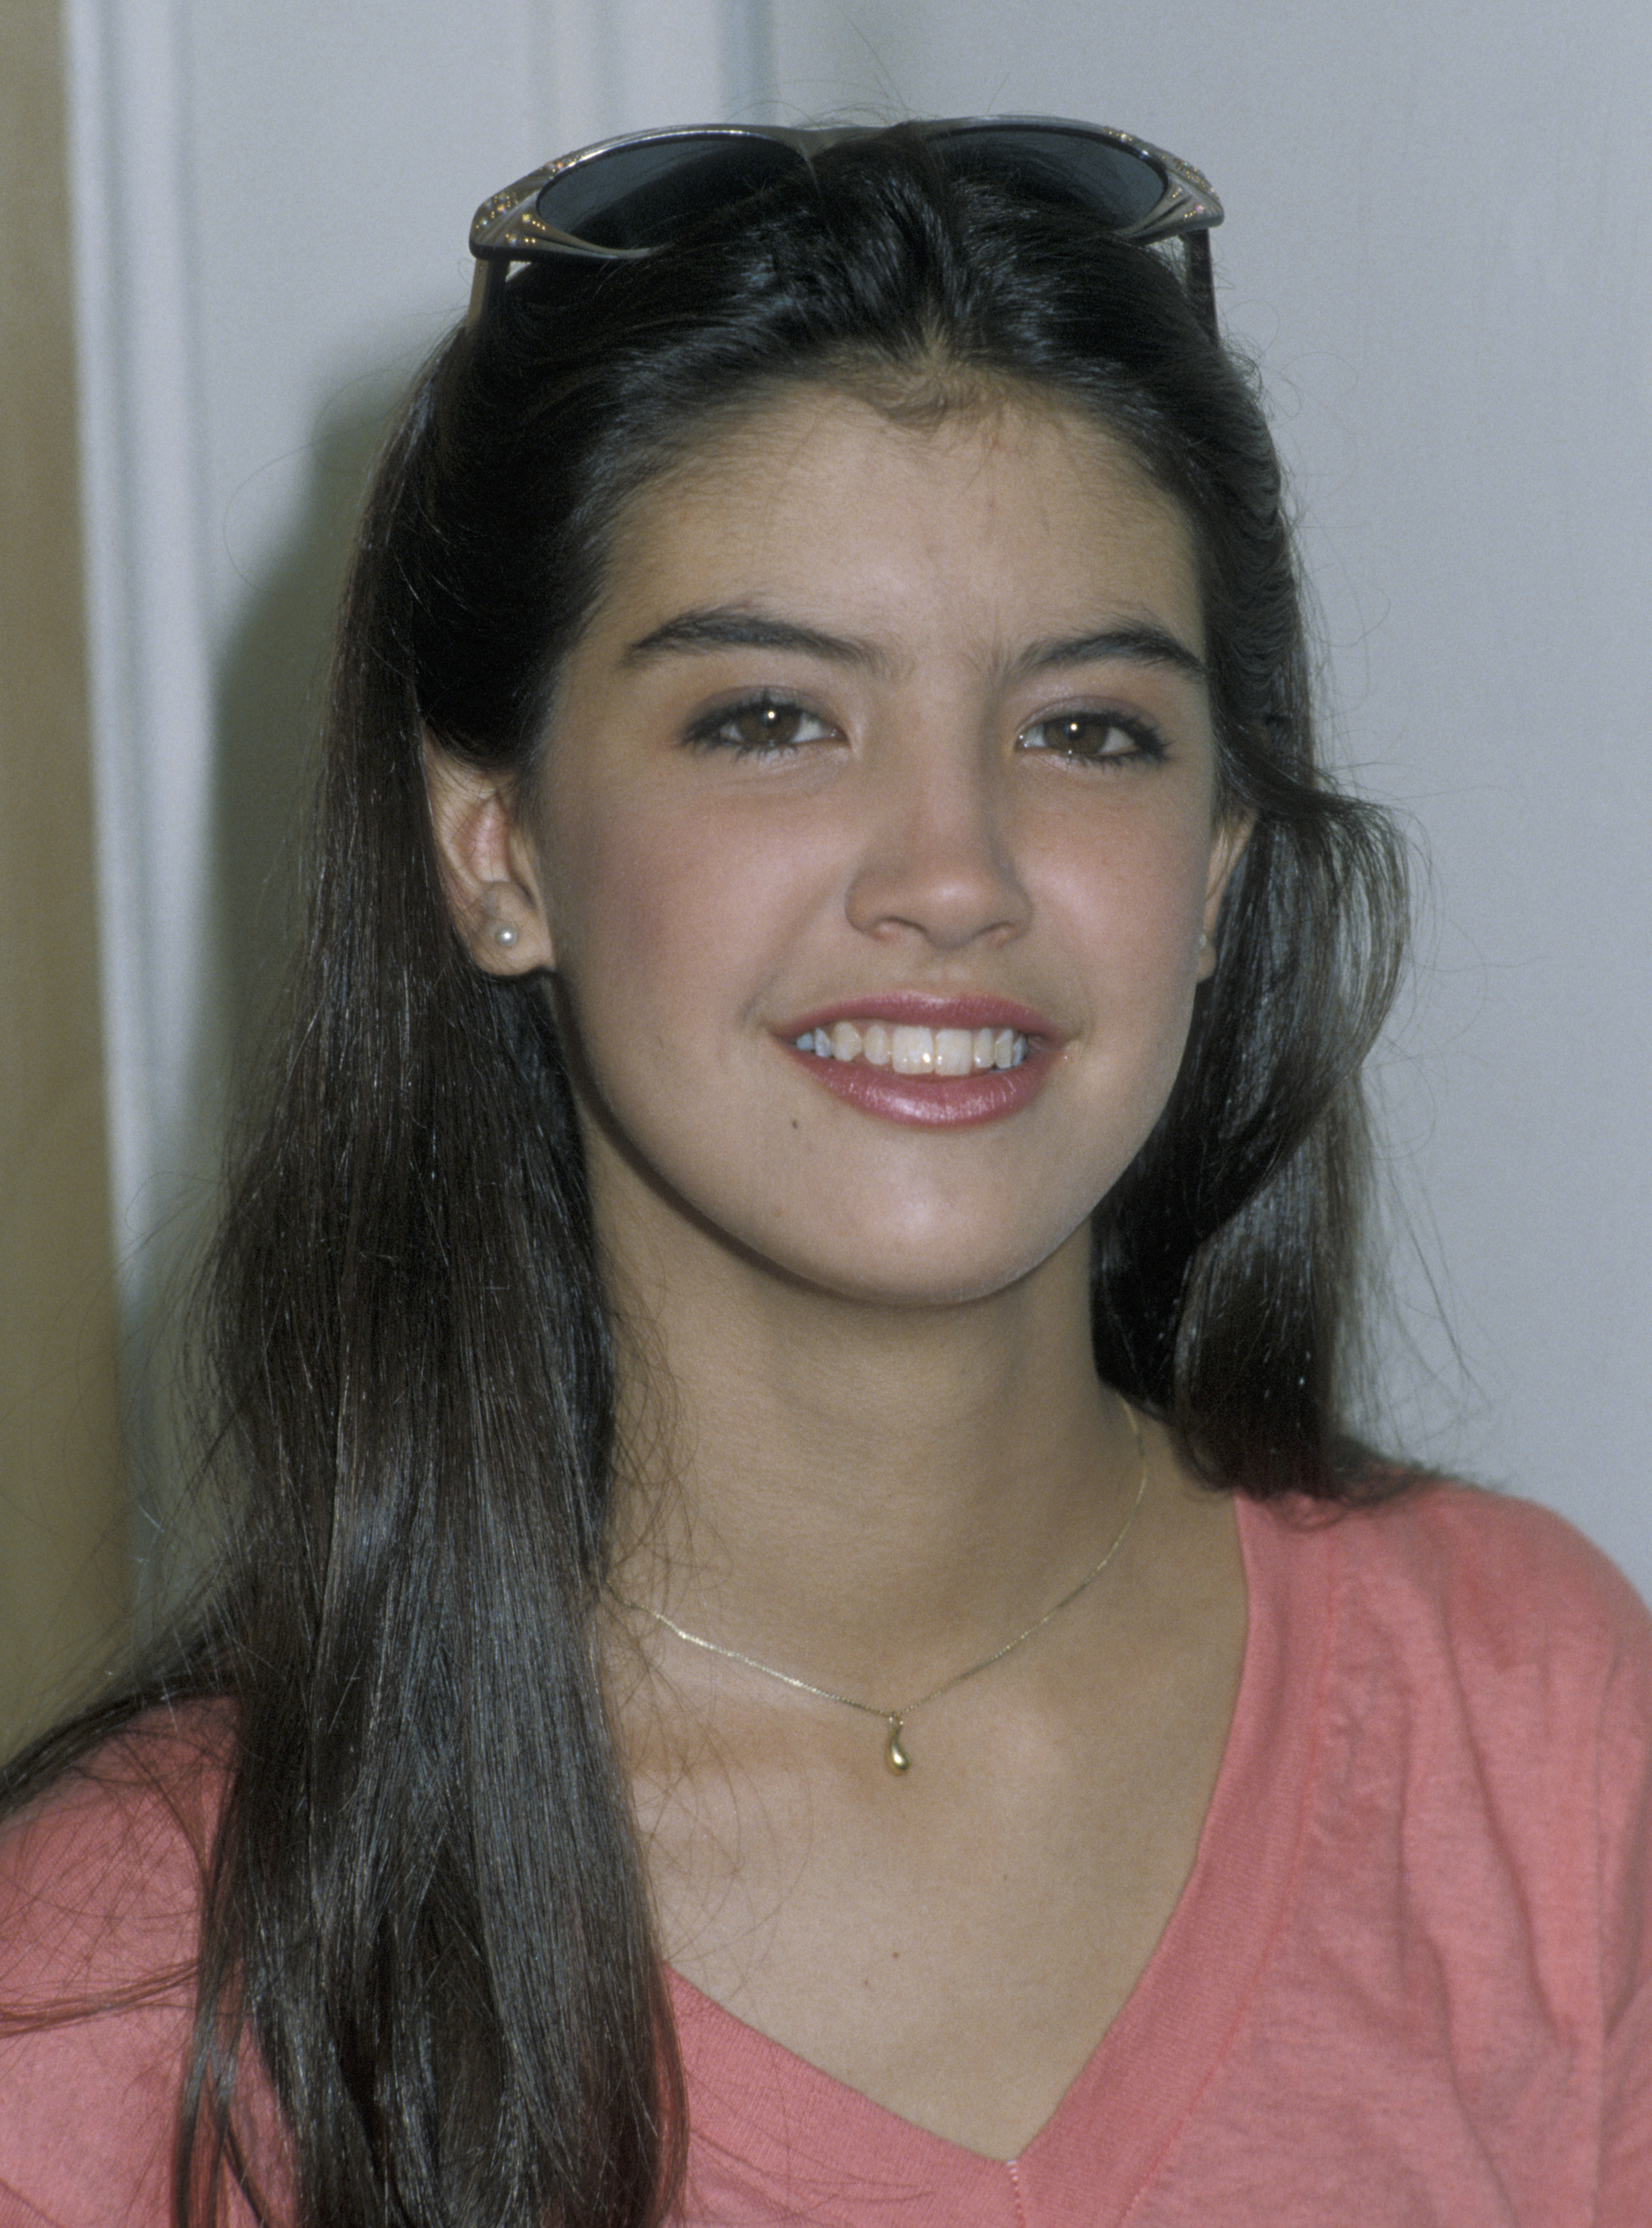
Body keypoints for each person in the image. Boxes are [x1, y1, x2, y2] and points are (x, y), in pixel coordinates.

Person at [1, 119, 1648, 2228]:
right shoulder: (127, 1995)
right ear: (495, 851)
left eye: (1088, 730)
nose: (952, 876)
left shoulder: (1528, 1726)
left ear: (1217, 873)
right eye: (771, 720)